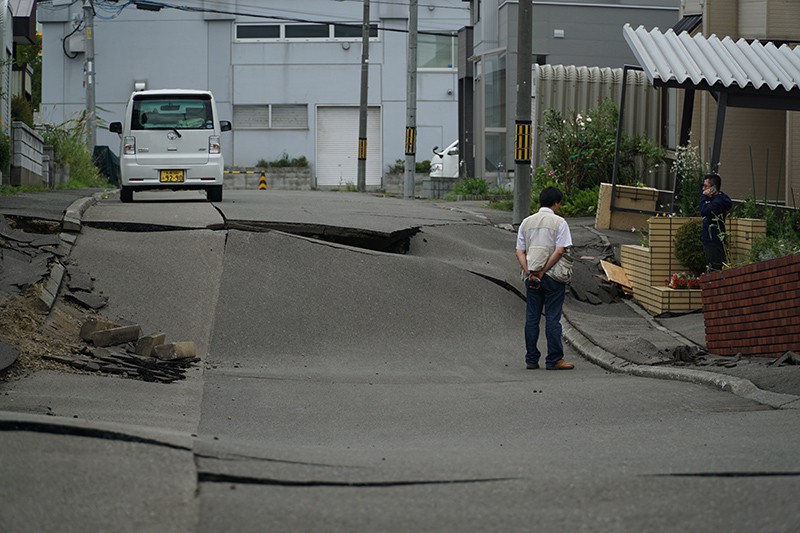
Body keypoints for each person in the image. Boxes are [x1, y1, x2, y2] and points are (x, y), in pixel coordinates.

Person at [515, 186, 574, 370]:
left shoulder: (526, 222)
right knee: (552, 318)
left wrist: (530, 272)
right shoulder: (559, 222)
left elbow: (520, 251)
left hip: (531, 276)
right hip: (553, 276)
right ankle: (554, 359)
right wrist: (543, 271)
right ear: (556, 203)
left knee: (532, 318)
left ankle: (531, 359)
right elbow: (559, 250)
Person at [699, 173, 733, 271]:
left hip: (713, 240)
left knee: (715, 267)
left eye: (706, 186)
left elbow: (703, 211)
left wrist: (704, 197)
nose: (703, 189)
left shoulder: (717, 202)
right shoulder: (716, 198)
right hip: (709, 239)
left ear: (713, 188)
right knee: (711, 265)